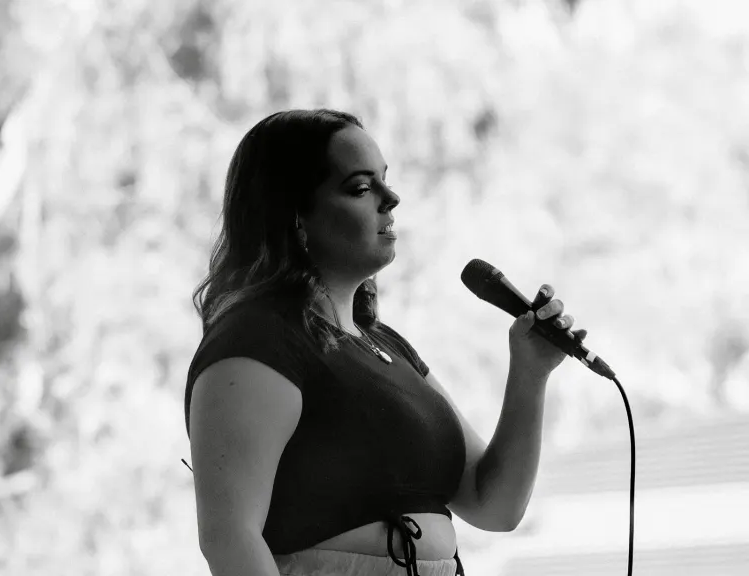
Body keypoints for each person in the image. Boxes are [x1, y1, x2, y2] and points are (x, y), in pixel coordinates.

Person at [182, 109, 583, 576]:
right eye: (360, 187)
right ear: (294, 216)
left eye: (385, 181)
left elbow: (493, 505)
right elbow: (229, 537)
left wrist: (530, 372)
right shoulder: (256, 342)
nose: (391, 199)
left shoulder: (388, 346)